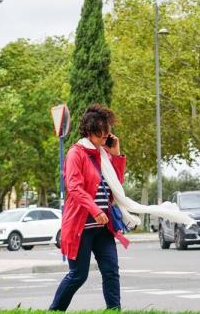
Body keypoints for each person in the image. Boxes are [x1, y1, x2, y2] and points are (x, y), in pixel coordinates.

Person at [50, 104, 125, 311]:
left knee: (111, 271)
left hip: (103, 227)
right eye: (102, 133)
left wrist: (117, 155)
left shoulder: (104, 155)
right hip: (81, 226)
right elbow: (74, 187)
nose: (106, 136)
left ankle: (114, 310)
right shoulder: (76, 153)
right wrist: (95, 210)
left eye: (108, 132)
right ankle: (54, 310)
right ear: (90, 131)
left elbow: (116, 186)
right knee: (78, 275)